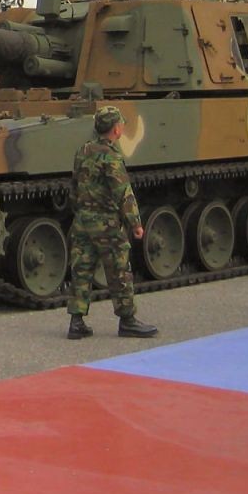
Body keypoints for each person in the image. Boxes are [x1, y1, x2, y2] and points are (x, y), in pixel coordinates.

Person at [65, 105, 158, 340]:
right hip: (106, 223)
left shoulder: (82, 151)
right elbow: (122, 192)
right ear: (116, 129)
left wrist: (80, 212)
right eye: (121, 125)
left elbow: (74, 187)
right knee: (118, 270)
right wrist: (135, 223)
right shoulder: (111, 156)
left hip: (83, 221)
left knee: (82, 269)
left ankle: (76, 321)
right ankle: (127, 320)